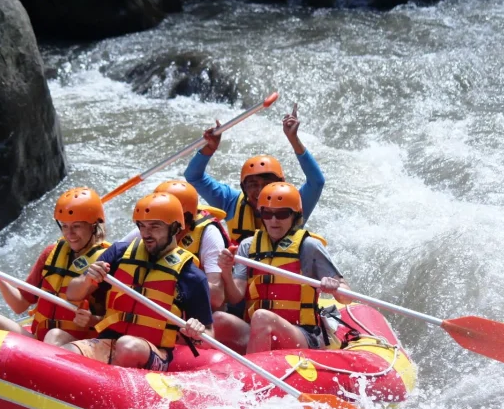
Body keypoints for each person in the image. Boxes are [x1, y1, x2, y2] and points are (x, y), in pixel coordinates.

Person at [65, 192, 213, 371]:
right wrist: (88, 279)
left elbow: (209, 335)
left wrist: (197, 331)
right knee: (66, 353)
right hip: (109, 341)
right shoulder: (119, 253)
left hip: (155, 352)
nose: (146, 233)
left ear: (175, 228)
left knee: (128, 347)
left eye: (154, 227)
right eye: (142, 226)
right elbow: (72, 294)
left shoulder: (192, 277)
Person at [215, 182, 351, 355]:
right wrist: (226, 272)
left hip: (302, 334)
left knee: (262, 317)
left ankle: (255, 375)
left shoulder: (309, 246)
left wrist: (335, 288)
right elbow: (235, 297)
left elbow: (346, 297)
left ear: (295, 216)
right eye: (267, 213)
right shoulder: (248, 246)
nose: (273, 220)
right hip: (258, 328)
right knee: (218, 320)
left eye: (282, 214)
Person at [0, 187, 110, 346]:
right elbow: (19, 304)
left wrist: (92, 320)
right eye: (64, 226)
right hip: (39, 340)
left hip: (77, 346)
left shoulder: (106, 261)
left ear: (93, 225)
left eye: (76, 226)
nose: (69, 234)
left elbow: (117, 322)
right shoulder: (51, 253)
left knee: (54, 335)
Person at [184, 102, 325, 244]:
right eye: (253, 184)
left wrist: (294, 140)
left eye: (267, 184)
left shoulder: (294, 204)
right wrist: (209, 148)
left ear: (281, 185)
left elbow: (317, 182)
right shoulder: (230, 202)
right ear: (243, 188)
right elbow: (193, 177)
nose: (260, 191)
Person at [119, 180, 229, 309]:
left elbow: (217, 298)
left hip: (192, 309)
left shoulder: (209, 234)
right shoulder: (148, 227)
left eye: (167, 216)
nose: (148, 230)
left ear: (183, 220)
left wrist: (171, 275)